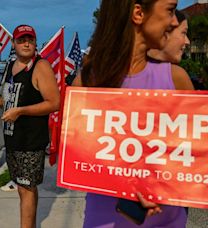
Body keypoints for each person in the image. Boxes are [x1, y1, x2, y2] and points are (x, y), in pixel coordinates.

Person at [73, 0, 194, 227]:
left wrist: (160, 183)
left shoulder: (177, 79)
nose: (175, 21)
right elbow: (77, 162)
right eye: (170, 9)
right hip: (105, 221)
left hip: (167, 221)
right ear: (138, 13)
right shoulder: (87, 83)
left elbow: (195, 158)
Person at [0, 25, 60, 228]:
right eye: (21, 40)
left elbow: (54, 102)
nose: (26, 43)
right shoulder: (9, 67)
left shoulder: (40, 66)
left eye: (30, 40)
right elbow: (8, 100)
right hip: (12, 138)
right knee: (21, 187)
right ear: (13, 43)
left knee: (27, 188)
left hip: (31, 141)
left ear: (35, 43)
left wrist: (21, 111)